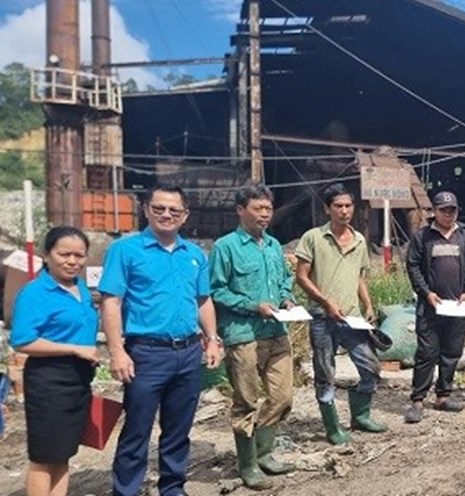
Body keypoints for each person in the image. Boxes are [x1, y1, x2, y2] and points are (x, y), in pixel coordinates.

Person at [99, 184, 223, 496]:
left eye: (174, 210)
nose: (166, 214)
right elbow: (111, 301)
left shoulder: (194, 255)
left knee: (178, 430)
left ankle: (173, 488)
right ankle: (126, 490)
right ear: (146, 210)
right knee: (137, 430)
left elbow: (203, 301)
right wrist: (116, 351)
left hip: (188, 353)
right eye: (159, 209)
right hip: (146, 354)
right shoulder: (126, 251)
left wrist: (212, 339)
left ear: (185, 215)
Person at [209, 185, 294, 489]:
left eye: (268, 209)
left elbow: (286, 279)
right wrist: (252, 306)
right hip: (243, 334)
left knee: (283, 396)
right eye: (257, 209)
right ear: (240, 210)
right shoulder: (225, 247)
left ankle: (266, 453)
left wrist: (286, 299)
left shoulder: (273, 245)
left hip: (276, 331)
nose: (264, 214)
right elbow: (216, 290)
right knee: (246, 401)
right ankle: (248, 464)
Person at [295, 183, 386, 445]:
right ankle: (333, 427)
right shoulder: (313, 237)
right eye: (338, 206)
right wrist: (326, 302)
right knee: (325, 372)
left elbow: (359, 277)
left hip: (352, 318)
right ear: (327, 209)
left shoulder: (359, 240)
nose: (344, 211)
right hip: (323, 319)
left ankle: (361, 415)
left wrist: (368, 305)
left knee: (371, 367)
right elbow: (301, 277)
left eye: (348, 206)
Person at [10, 226, 98, 496]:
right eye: (64, 254)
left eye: (79, 255)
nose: (72, 261)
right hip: (49, 382)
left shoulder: (80, 288)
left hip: (78, 380)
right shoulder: (36, 292)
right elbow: (23, 340)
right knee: (44, 456)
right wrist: (73, 349)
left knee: (63, 451)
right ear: (47, 255)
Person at [404, 191, 465, 423]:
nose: (448, 214)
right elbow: (413, 267)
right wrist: (426, 293)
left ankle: (443, 396)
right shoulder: (423, 237)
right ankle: (417, 400)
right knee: (427, 353)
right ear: (434, 211)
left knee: (451, 353)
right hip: (430, 308)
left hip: (457, 307)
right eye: (443, 210)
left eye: (452, 210)